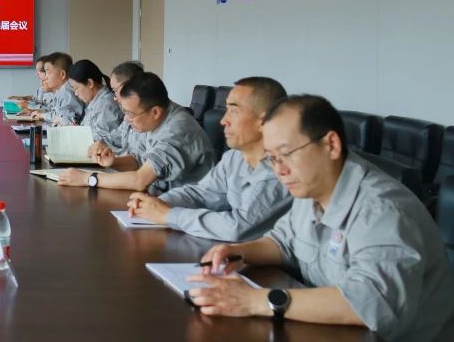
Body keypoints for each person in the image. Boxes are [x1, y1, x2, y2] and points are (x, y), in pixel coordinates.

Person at [190, 96, 454, 342]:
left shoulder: (383, 210)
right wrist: (238, 252)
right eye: (272, 158)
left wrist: (254, 301)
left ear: (331, 145)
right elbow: (284, 241)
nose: (279, 170)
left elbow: (371, 303)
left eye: (287, 154)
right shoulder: (310, 189)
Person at [127, 77, 292, 242]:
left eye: (234, 111)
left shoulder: (280, 169)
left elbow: (239, 227)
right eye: (226, 110)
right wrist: (155, 204)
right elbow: (201, 194)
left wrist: (168, 215)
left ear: (263, 121)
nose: (223, 120)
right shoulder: (234, 157)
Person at [59, 72, 212, 192]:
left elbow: (140, 180)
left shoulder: (178, 131)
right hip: (158, 196)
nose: (127, 119)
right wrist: (113, 162)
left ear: (155, 112)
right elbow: (140, 161)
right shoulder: (154, 117)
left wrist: (88, 179)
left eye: (131, 114)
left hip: (187, 209)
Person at [90, 61, 144, 159]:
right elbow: (117, 137)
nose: (114, 98)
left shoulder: (146, 115)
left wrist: (113, 161)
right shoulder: (129, 113)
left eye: (115, 90)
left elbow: (140, 160)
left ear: (129, 87)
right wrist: (100, 143)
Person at [68, 59, 123, 145]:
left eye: (76, 88)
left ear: (90, 83)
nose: (76, 93)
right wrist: (78, 130)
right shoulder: (95, 102)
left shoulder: (105, 105)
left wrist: (79, 133)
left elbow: (104, 142)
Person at [30, 52, 84, 125]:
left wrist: (43, 115)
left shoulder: (67, 92)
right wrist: (42, 113)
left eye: (48, 72)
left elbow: (66, 120)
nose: (45, 77)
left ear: (62, 74)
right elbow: (56, 112)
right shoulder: (61, 91)